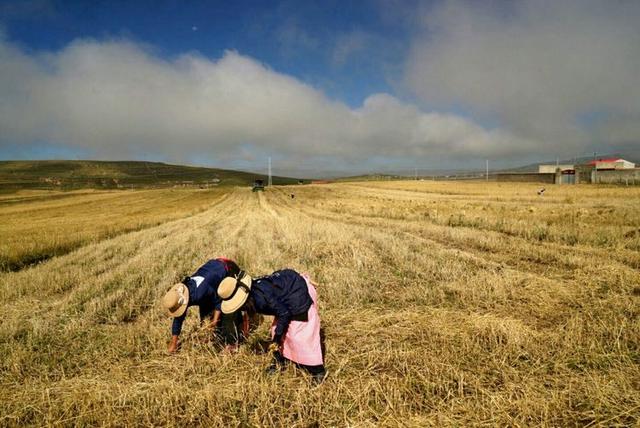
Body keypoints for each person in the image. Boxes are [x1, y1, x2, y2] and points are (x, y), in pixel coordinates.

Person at [218, 268, 326, 384]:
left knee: (298, 338)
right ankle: (280, 362)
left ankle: (317, 370)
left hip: (296, 292)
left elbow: (284, 313)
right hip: (286, 290)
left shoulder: (261, 299)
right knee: (276, 331)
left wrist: (277, 338)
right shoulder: (251, 291)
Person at [162, 258, 247, 353]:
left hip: (226, 269)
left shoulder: (199, 294)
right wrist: (174, 342)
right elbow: (178, 318)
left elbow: (218, 300)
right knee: (207, 317)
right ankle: (218, 334)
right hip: (211, 271)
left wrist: (214, 321)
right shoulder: (183, 293)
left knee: (228, 309)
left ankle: (234, 340)